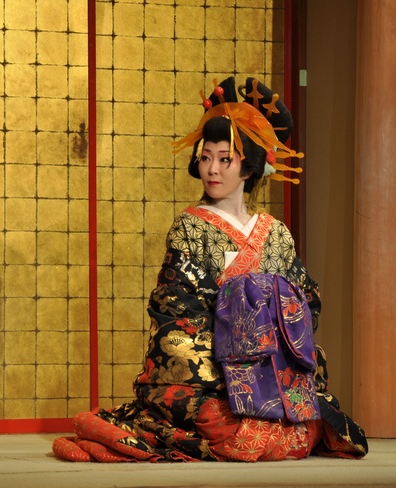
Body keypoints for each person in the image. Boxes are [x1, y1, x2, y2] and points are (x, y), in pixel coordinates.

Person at [52, 76, 368, 462]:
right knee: (186, 365)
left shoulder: (276, 233)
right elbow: (174, 302)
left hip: (269, 360)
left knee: (310, 360)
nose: (212, 170)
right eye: (205, 158)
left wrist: (275, 317)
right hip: (216, 358)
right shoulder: (190, 225)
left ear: (249, 168)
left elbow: (305, 301)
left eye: (224, 159)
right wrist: (231, 332)